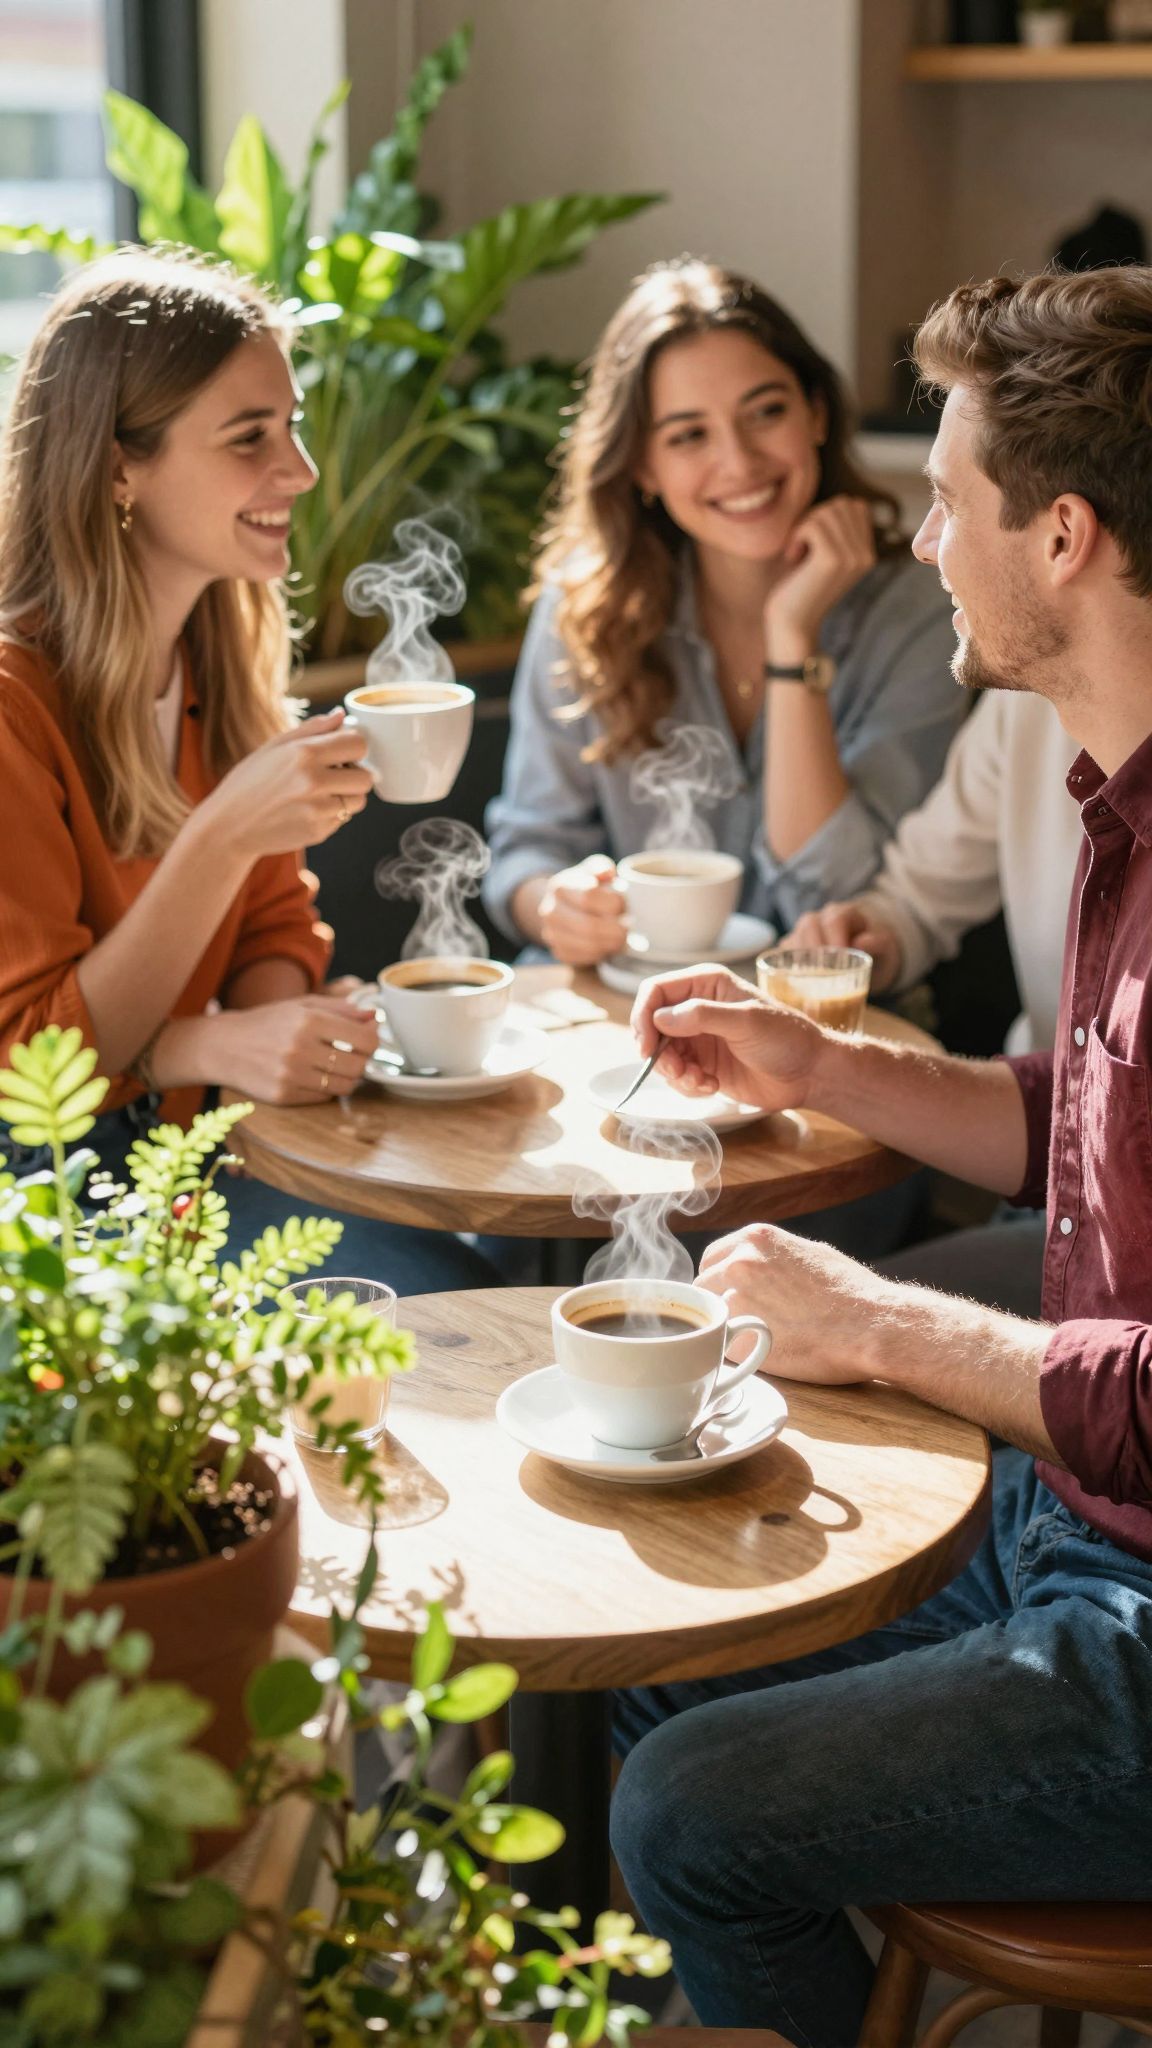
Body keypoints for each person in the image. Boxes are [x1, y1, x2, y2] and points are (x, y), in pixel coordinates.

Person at [610, 266, 1152, 2048]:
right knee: (651, 1664)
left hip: (1139, 1613)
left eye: (951, 496)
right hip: (1069, 1519)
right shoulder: (1103, 802)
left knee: (682, 1807)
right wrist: (817, 1060)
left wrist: (887, 1328)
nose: (921, 539)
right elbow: (1068, 1137)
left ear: (1060, 534)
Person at [0, 246, 495, 1294]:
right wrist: (206, 1029)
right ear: (117, 467)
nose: (302, 473)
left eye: (294, 424)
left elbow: (275, 926)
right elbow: (28, 1069)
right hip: (58, 1207)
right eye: (250, 438)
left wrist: (286, 1034)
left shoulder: (218, 658)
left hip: (212, 1154)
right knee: (431, 1297)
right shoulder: (13, 703)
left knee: (474, 1277)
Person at [483, 259, 966, 964]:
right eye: (688, 435)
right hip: (619, 1014)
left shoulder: (920, 611)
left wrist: (791, 638)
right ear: (643, 467)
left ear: (817, 414)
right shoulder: (581, 611)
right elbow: (527, 850)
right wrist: (556, 904)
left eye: (766, 412)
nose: (738, 463)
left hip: (817, 1019)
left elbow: (837, 900)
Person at [788, 688, 1082, 1317]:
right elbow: (918, 895)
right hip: (1036, 1171)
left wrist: (889, 1335)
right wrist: (877, 930)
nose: (939, 582)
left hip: (1114, 1239)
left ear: (1068, 578)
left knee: (798, 1336)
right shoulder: (1024, 703)